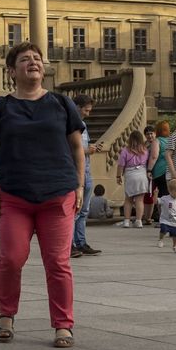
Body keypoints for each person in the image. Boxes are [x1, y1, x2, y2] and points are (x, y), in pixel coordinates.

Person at [0, 42, 85, 348]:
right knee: (11, 258)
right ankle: (6, 315)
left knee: (58, 262)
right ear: (12, 71)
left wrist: (79, 185)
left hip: (58, 195)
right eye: (25, 60)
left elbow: (77, 147)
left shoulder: (62, 104)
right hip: (14, 195)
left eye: (36, 59)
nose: (33, 62)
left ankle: (63, 324)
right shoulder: (2, 107)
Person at [69, 94, 104, 257]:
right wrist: (86, 150)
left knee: (84, 211)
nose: (88, 114)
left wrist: (92, 148)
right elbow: (69, 148)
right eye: (86, 110)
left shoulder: (82, 124)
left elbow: (83, 146)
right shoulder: (68, 124)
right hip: (75, 173)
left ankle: (81, 242)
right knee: (74, 211)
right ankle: (69, 245)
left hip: (87, 171)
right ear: (77, 107)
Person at [117, 133, 149, 227]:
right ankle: (139, 221)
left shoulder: (125, 151)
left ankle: (126, 221)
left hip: (130, 174)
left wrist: (118, 176)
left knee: (128, 200)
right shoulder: (145, 150)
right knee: (140, 200)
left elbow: (121, 165)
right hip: (142, 174)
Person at [155, 178, 176, 253]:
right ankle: (160, 240)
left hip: (175, 222)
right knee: (163, 230)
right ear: (170, 191)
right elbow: (156, 201)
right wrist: (155, 194)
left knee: (175, 235)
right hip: (165, 220)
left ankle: (175, 246)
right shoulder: (165, 198)